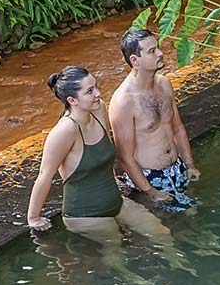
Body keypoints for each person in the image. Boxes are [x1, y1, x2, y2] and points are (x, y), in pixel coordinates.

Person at [25, 66, 172, 247]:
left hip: (115, 201)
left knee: (162, 234)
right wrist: (33, 217)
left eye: (96, 86)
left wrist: (114, 179)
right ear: (72, 100)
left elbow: (106, 152)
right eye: (89, 91)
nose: (98, 93)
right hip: (85, 215)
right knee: (117, 252)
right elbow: (44, 175)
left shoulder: (99, 109)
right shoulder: (64, 131)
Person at [110, 28, 198, 211]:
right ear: (134, 61)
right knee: (170, 229)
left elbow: (178, 129)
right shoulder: (123, 102)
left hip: (177, 169)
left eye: (157, 48)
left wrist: (189, 164)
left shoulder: (164, 84)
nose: (160, 53)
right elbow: (125, 157)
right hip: (149, 178)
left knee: (194, 216)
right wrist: (151, 191)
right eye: (152, 51)